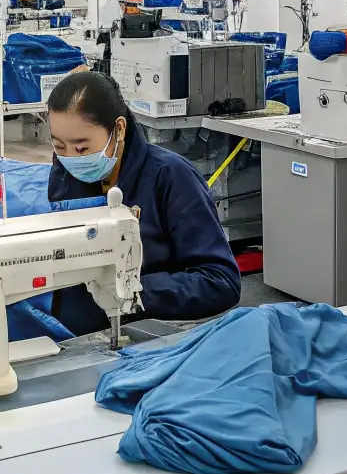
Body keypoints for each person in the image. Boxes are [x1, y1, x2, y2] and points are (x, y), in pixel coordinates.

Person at [47, 71, 241, 336]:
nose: (71, 158)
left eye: (81, 149)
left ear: (119, 129)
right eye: (59, 146)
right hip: (79, 335)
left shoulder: (171, 177)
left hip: (149, 333)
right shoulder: (65, 174)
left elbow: (221, 281)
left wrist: (138, 292)